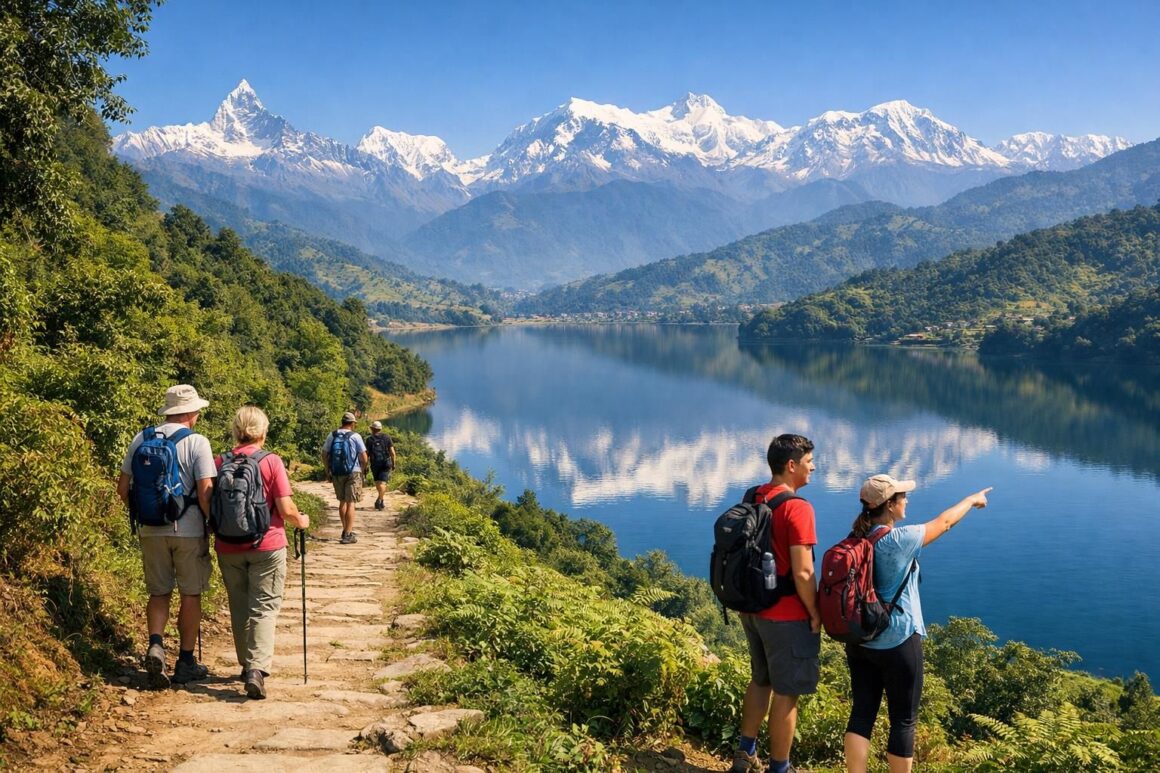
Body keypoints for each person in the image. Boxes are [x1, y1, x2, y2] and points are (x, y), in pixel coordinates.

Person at [843, 475, 992, 773]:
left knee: (861, 714)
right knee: (903, 719)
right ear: (889, 506)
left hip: (859, 641)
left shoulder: (856, 540)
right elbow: (945, 522)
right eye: (902, 496)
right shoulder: (898, 540)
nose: (907, 500)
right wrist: (972, 499)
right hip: (898, 640)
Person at [731, 434, 821, 773]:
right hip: (785, 616)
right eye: (809, 461)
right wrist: (814, 613)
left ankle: (744, 754)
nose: (813, 467)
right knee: (787, 693)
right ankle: (780, 768)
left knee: (761, 680)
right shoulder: (798, 508)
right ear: (792, 465)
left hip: (751, 608)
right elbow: (803, 570)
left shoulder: (753, 495)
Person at [116, 384, 216, 689]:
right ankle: (186, 661)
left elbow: (122, 490)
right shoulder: (198, 442)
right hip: (187, 530)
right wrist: (210, 523)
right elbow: (205, 491)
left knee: (158, 593)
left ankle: (156, 645)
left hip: (149, 529)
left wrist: (148, 514)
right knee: (190, 593)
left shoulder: (140, 438)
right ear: (190, 413)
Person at [214, 406, 310, 700]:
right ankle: (257, 670)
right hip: (267, 545)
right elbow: (285, 508)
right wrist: (301, 521)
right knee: (264, 607)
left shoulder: (220, 461)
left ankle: (246, 665)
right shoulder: (271, 462)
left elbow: (207, 501)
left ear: (236, 430)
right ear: (263, 432)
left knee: (239, 606)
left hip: (228, 545)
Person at [320, 411, 367, 544]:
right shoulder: (356, 436)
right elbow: (364, 457)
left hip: (337, 472)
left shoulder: (332, 435)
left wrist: (328, 470)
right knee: (351, 502)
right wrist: (362, 471)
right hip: (353, 472)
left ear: (342, 422)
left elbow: (324, 453)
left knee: (342, 501)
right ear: (352, 423)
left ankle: (345, 528)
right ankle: (348, 533)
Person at [365, 420, 396, 510]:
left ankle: (380, 499)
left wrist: (365, 466)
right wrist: (394, 463)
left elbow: (366, 454)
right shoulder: (387, 437)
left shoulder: (369, 440)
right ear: (380, 429)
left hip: (375, 463)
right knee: (383, 483)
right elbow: (392, 452)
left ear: (372, 429)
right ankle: (380, 500)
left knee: (378, 483)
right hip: (386, 463)